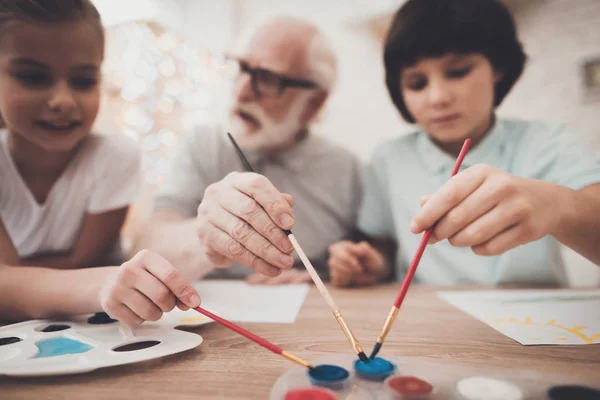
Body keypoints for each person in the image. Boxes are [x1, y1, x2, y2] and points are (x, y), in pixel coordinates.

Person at [327, 0, 600, 288]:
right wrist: (369, 262)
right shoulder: (389, 158)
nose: (438, 98)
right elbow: (381, 242)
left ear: (499, 68)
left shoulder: (547, 142)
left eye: (457, 72)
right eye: (417, 83)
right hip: (432, 321)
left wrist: (555, 205)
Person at [0, 0, 200, 324]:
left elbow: (81, 262)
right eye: (33, 77)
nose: (63, 100)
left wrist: (17, 282)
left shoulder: (116, 157)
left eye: (83, 81)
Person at [136, 17, 363, 284]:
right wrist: (208, 233)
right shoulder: (202, 145)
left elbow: (370, 259)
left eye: (267, 79)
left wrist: (329, 274)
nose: (242, 92)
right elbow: (149, 246)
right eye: (241, 67)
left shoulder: (346, 169)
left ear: (314, 102)